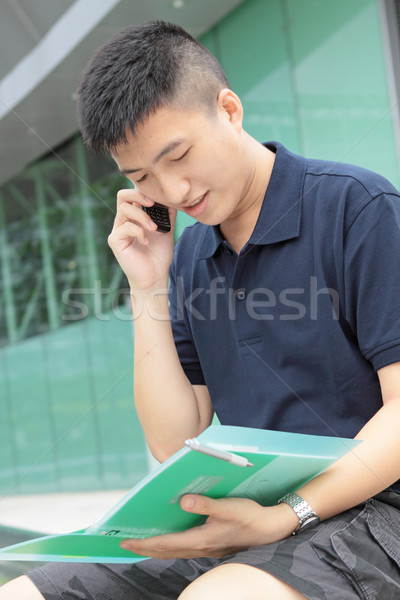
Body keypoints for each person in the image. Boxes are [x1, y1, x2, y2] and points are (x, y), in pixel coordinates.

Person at [2, 19, 400, 600]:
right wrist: (147, 286)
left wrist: (289, 513)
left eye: (179, 155)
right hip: (248, 519)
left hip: (373, 511)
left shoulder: (357, 209)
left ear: (230, 109)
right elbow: (174, 438)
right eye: (142, 177)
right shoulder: (189, 254)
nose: (174, 191)